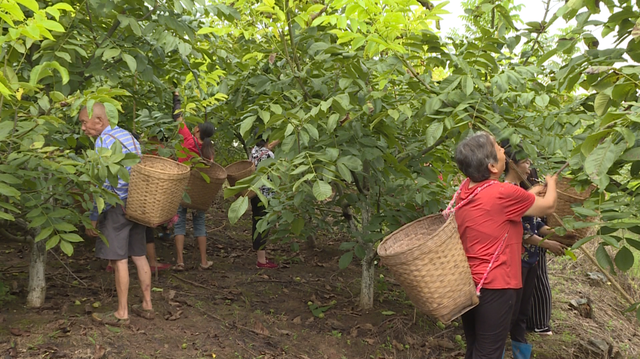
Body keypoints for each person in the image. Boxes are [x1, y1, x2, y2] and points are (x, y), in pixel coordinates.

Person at [451, 132, 557, 359]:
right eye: (499, 148)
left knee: (475, 346)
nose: (503, 152)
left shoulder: (465, 191)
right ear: (491, 166)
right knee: (489, 351)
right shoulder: (503, 193)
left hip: (468, 283)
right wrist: (552, 183)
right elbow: (547, 207)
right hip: (497, 286)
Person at [80, 102, 154, 325]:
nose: (83, 128)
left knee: (119, 259)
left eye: (85, 122)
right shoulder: (128, 137)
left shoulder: (103, 142)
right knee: (139, 255)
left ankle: (122, 313)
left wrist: (93, 217)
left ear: (99, 121)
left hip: (116, 208)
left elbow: (101, 186)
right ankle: (147, 305)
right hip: (136, 204)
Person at [502, 146, 566, 359]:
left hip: (530, 260)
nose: (529, 168)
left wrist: (559, 234)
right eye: (526, 162)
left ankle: (521, 354)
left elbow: (536, 224)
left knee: (521, 312)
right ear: (512, 163)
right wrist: (547, 244)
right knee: (509, 313)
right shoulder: (506, 191)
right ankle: (495, 351)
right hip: (515, 261)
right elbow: (520, 231)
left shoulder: (522, 190)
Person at [172, 91, 216, 271]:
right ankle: (204, 261)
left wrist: (176, 98)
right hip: (198, 192)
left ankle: (180, 261)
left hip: (182, 186)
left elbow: (177, 116)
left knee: (179, 223)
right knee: (199, 224)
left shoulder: (187, 139)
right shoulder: (209, 151)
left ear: (197, 129)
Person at [250, 134, 280, 269]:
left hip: (254, 192)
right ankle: (261, 260)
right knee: (263, 224)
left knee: (257, 221)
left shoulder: (254, 150)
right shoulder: (269, 154)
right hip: (265, 194)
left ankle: (259, 254)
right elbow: (274, 174)